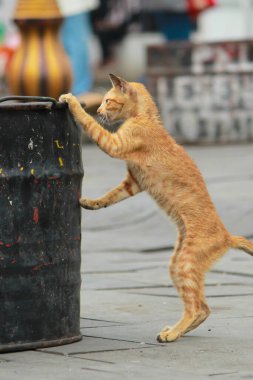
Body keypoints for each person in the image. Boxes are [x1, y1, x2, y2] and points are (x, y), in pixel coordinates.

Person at [57, 0, 99, 95]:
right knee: (74, 43)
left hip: (71, 6)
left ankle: (78, 91)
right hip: (68, 6)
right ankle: (77, 90)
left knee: (75, 43)